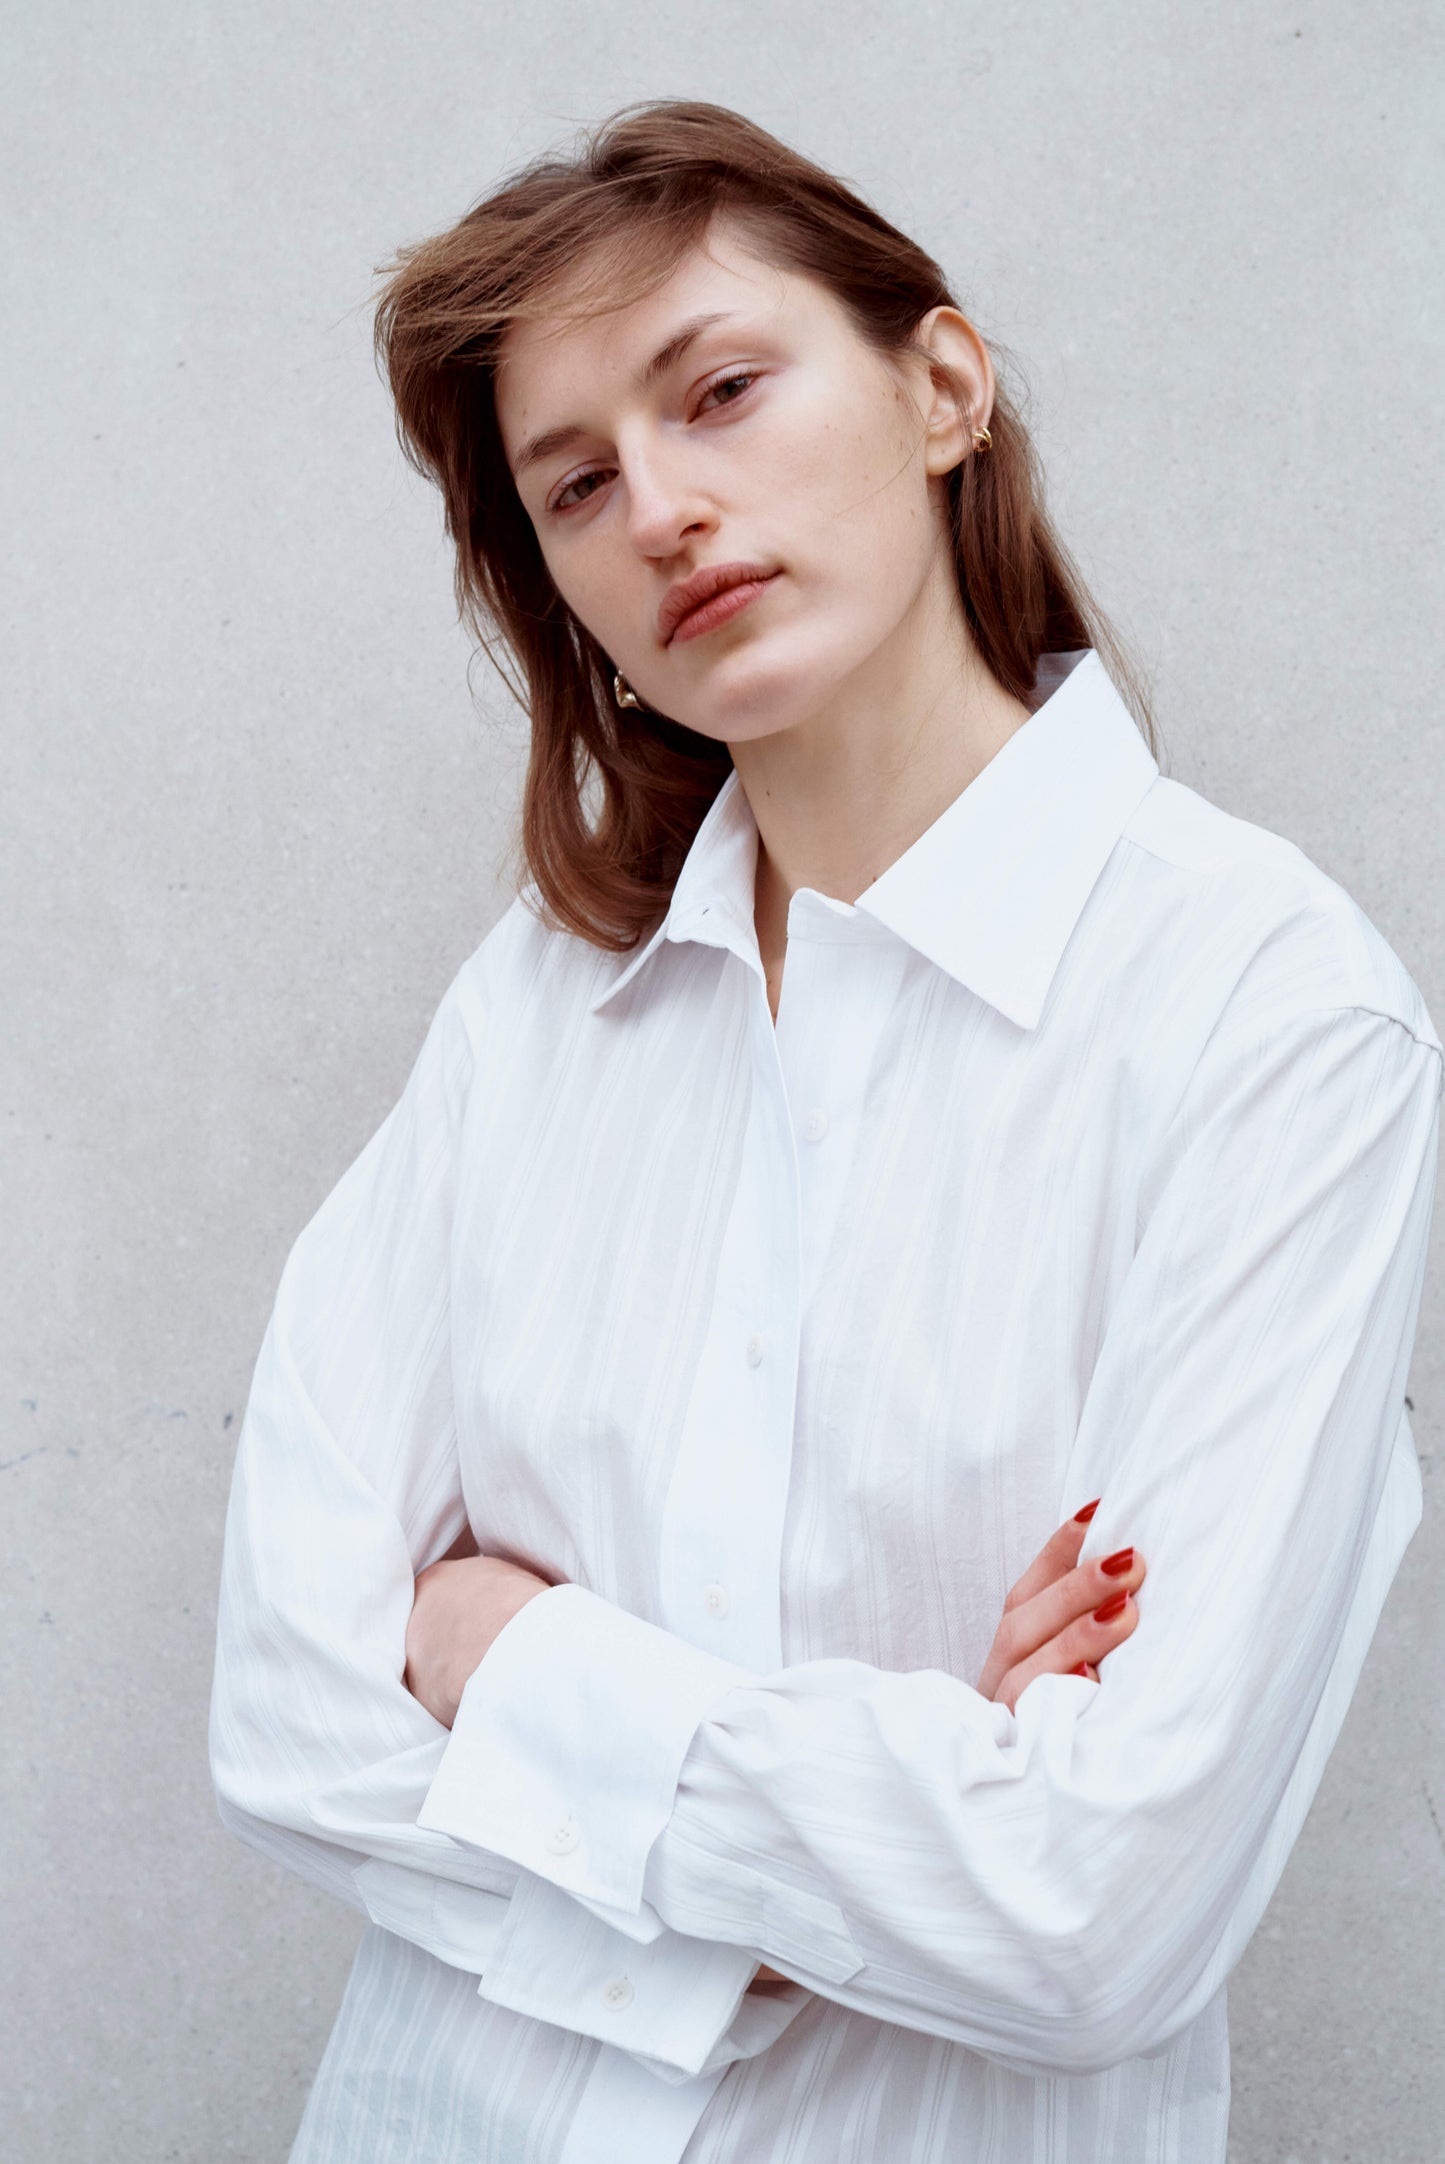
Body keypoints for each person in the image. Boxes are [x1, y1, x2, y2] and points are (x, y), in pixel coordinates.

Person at [208, 100, 1441, 2164]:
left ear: (941, 386)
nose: (661, 508)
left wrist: (513, 1660)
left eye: (720, 391)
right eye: (575, 483)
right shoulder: (536, 1008)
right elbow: (285, 1708)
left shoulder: (1267, 1013)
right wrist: (850, 1856)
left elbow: (1093, 1915)